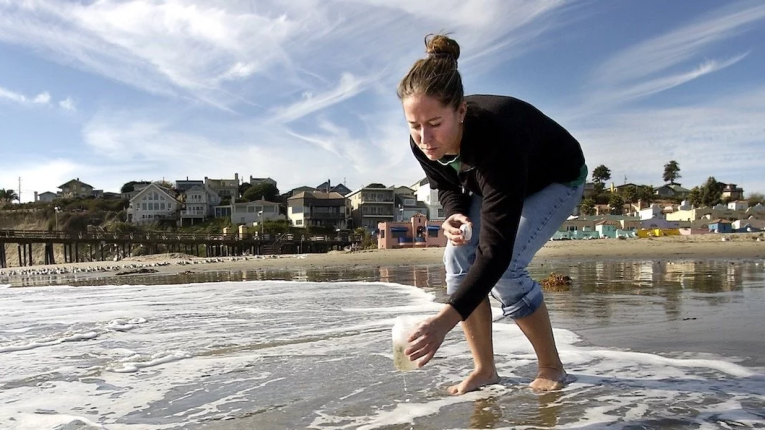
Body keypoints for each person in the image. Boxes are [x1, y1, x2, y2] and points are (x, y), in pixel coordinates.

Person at [398, 34, 587, 395]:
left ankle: (552, 366)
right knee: (456, 254)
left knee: (510, 268)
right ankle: (485, 369)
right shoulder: (422, 139)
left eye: (435, 123)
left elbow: (495, 252)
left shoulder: (497, 137)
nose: (424, 137)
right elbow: (446, 181)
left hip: (555, 178)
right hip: (495, 182)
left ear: (462, 111)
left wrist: (444, 322)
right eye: (414, 125)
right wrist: (454, 213)